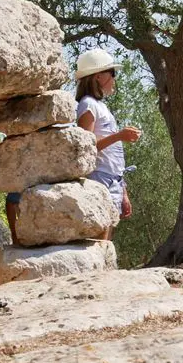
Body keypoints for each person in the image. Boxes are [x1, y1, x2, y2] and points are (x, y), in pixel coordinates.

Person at [74, 48, 141, 239]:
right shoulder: (87, 104)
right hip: (100, 177)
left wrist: (123, 192)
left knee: (107, 234)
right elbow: (86, 146)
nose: (114, 78)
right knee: (100, 234)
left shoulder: (100, 106)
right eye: (112, 73)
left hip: (112, 179)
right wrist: (120, 136)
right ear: (97, 77)